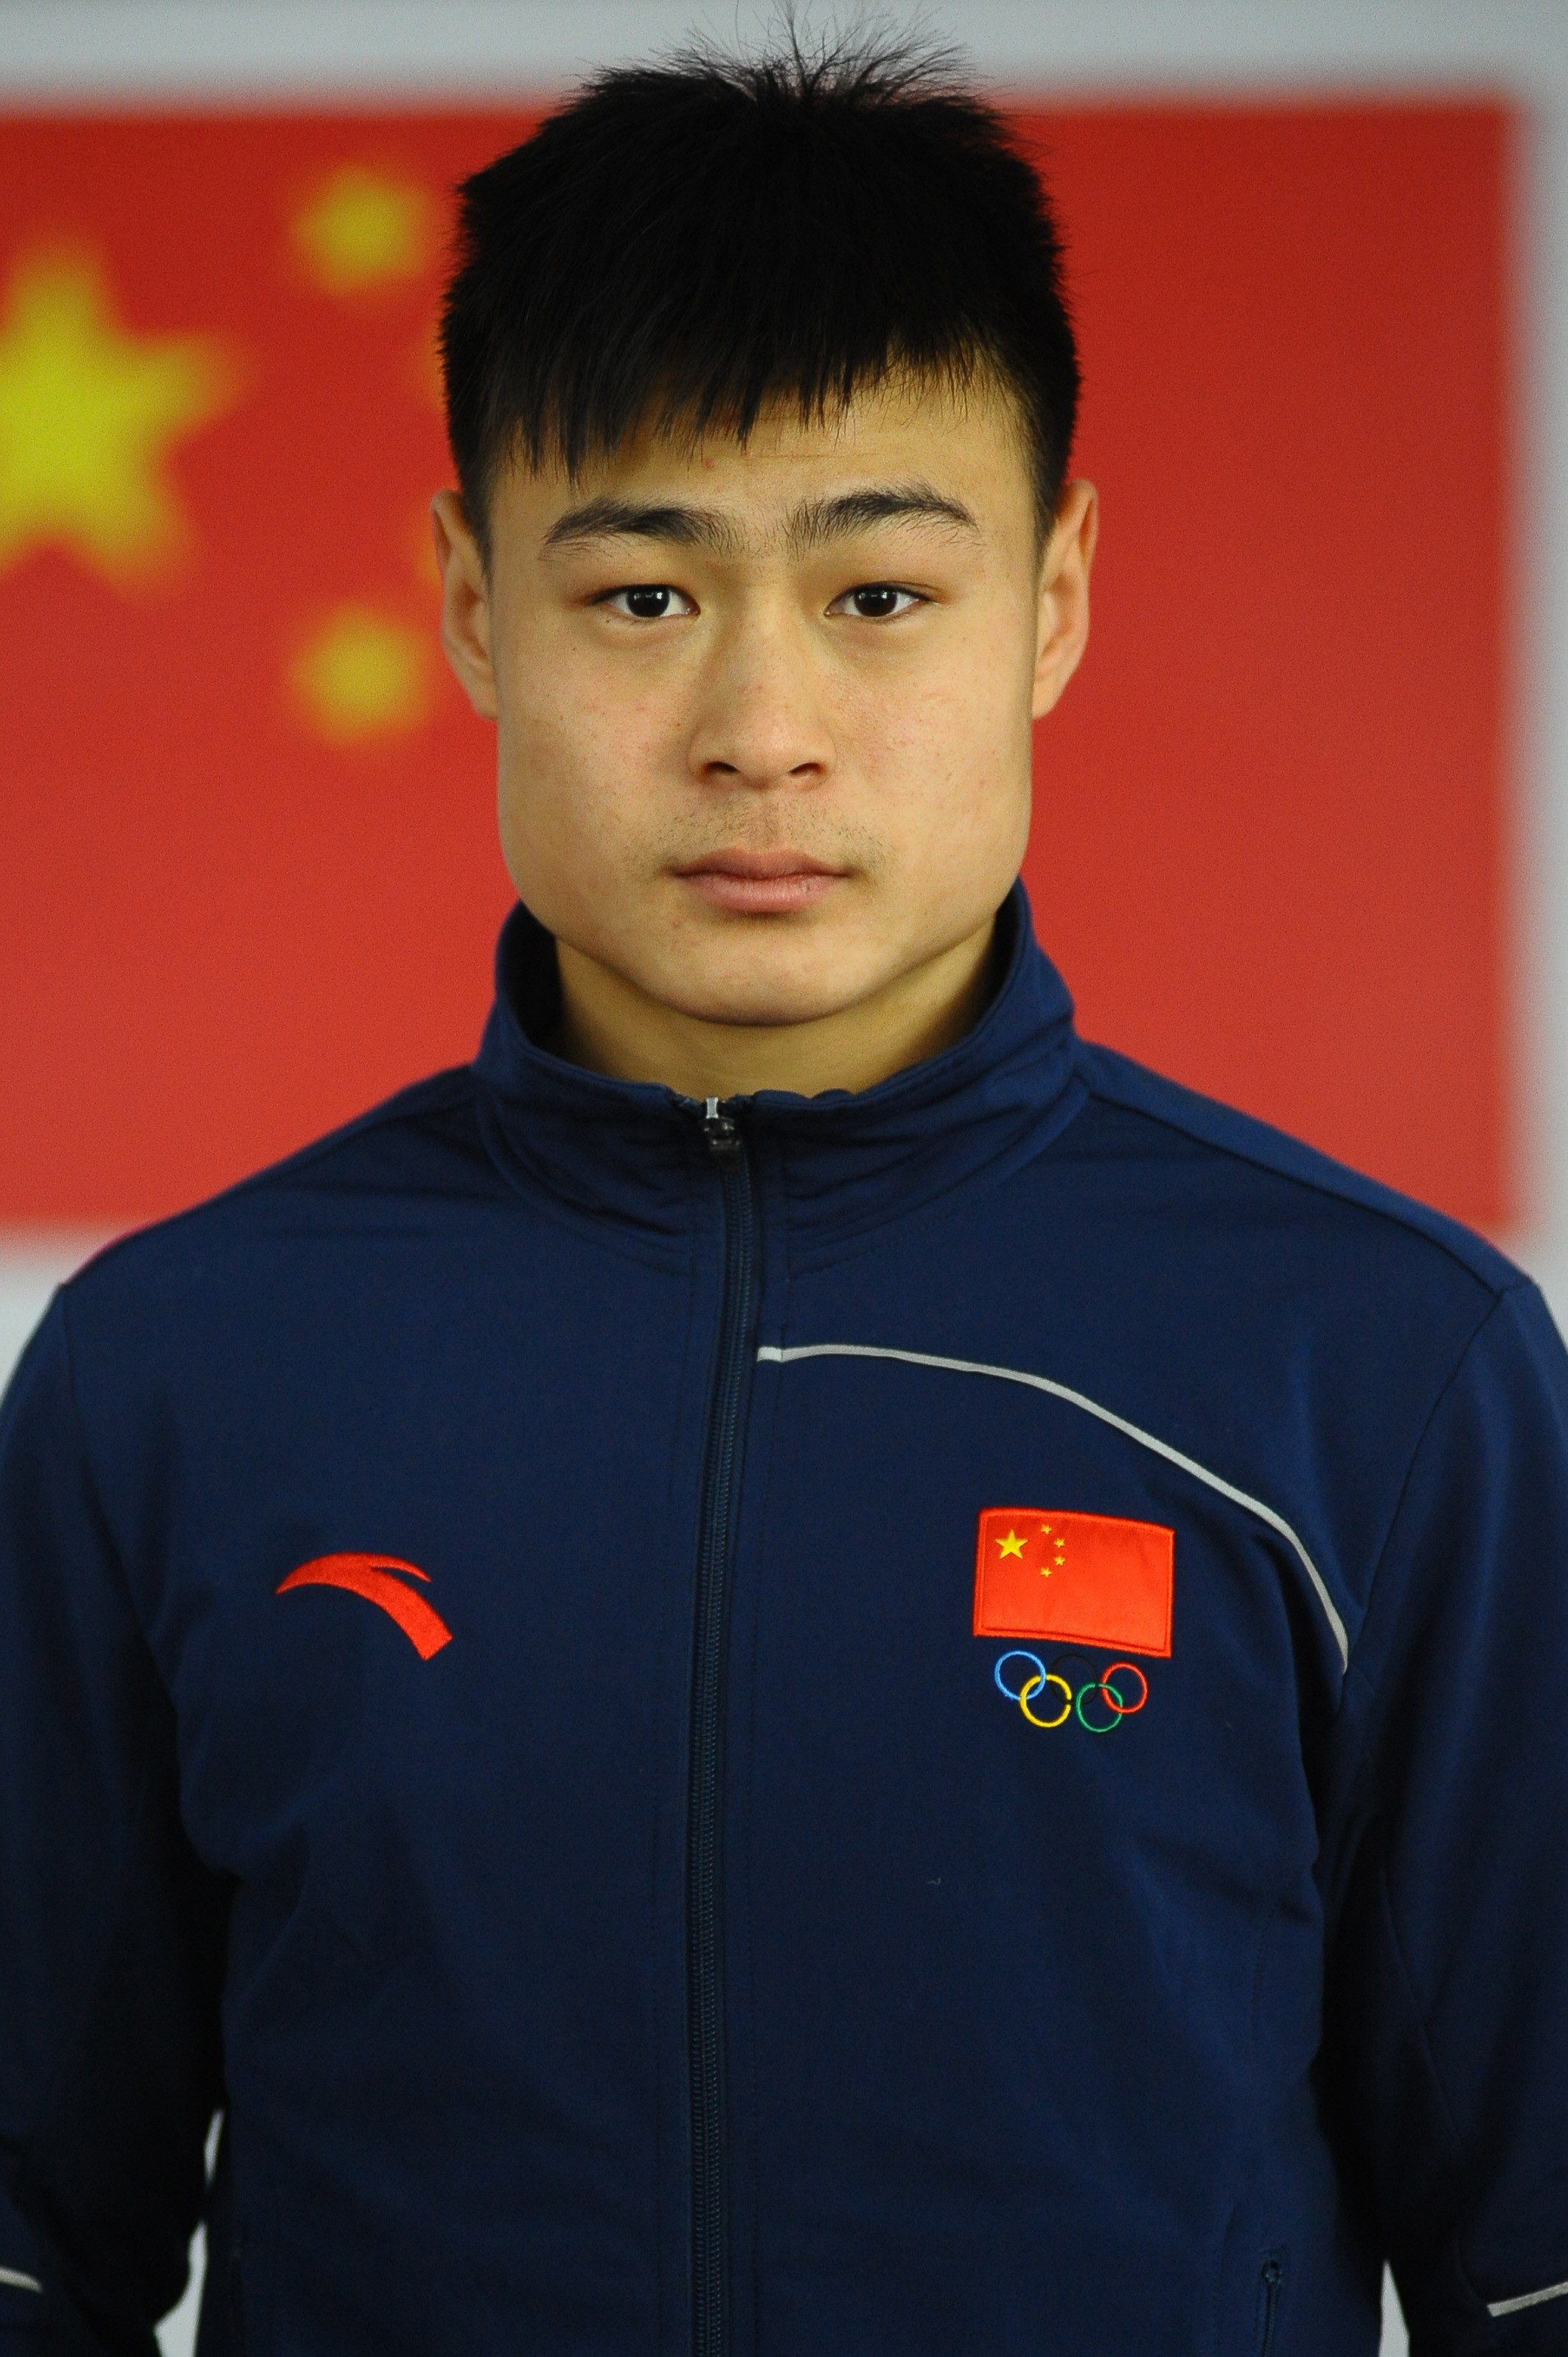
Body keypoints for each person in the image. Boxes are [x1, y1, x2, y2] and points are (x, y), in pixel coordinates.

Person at [1, 33, 1564, 2357]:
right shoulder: (173, 1379)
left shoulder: (1386, 1373)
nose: (761, 726)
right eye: (643, 596)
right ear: (470, 602)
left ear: (1055, 597)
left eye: (882, 595)